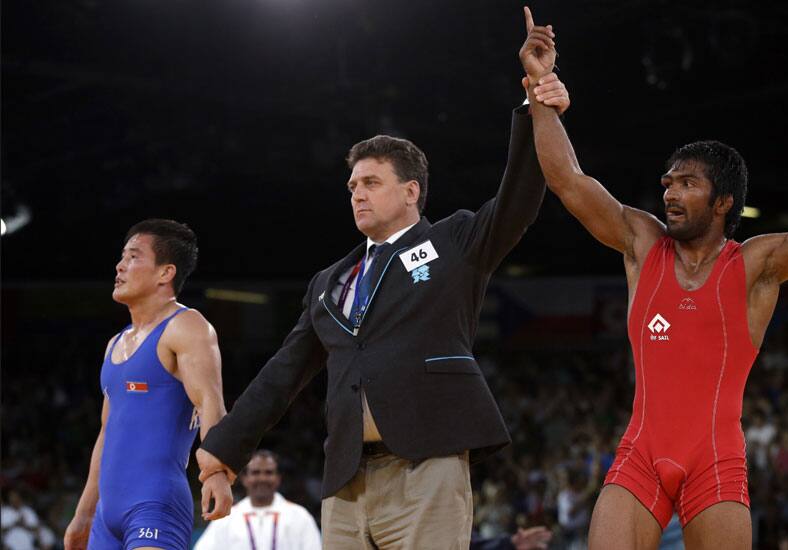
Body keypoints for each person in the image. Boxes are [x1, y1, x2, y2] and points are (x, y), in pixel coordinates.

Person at [521, 11, 788, 547]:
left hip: (715, 463)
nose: (670, 192)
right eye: (668, 181)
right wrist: (539, 88)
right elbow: (568, 180)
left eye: (687, 183)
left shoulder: (754, 265)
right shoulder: (642, 242)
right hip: (641, 455)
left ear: (723, 203)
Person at [194, 10, 570, 547]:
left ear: (412, 191)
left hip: (429, 464)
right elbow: (283, 374)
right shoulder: (330, 281)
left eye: (371, 182)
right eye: (351, 186)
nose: (357, 193)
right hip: (346, 481)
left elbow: (517, 202)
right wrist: (222, 452)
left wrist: (536, 100)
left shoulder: (453, 243)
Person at [64, 219, 231, 550]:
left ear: (165, 273)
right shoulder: (115, 344)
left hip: (155, 505)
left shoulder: (186, 326)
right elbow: (106, 434)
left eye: (133, 257)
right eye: (122, 257)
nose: (119, 266)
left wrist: (217, 474)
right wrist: (84, 513)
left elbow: (210, 404)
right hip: (106, 517)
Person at [194, 450, 322, 550]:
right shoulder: (228, 517)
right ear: (244, 478)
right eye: (256, 472)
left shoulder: (299, 516)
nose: (262, 478)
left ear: (278, 478)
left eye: (268, 472)